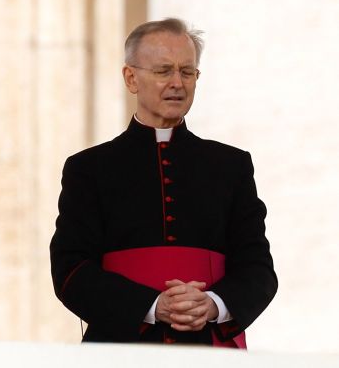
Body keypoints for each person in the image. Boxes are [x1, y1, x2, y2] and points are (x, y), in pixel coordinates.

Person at [50, 18, 276, 346]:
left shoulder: (231, 166)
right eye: (163, 71)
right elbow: (70, 269)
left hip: (209, 346)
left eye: (187, 72)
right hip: (120, 346)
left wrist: (213, 305)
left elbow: (258, 269)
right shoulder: (89, 168)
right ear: (131, 78)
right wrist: (152, 306)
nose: (177, 83)